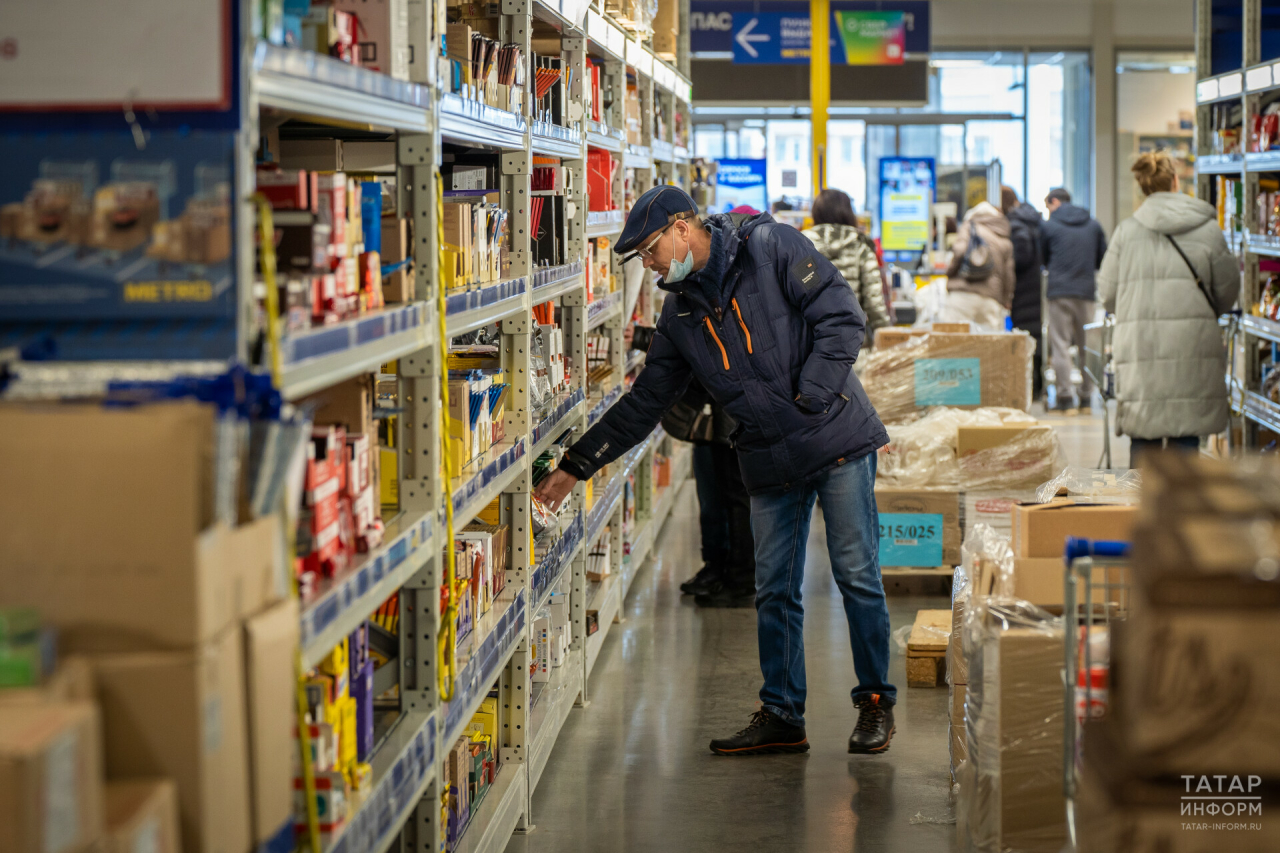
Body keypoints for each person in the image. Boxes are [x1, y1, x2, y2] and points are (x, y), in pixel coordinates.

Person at [533, 185, 896, 756]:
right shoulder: (680, 316)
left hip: (836, 440)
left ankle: (875, 702)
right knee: (773, 588)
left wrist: (812, 397)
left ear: (683, 227)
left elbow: (842, 317)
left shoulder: (770, 245)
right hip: (767, 456)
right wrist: (576, 466)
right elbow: (644, 403)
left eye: (651, 249)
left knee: (855, 573)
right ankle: (782, 712)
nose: (650, 264)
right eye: (642, 258)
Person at [1097, 151, 1239, 468]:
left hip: (1140, 345)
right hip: (1193, 344)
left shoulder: (1126, 232)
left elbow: (1107, 294)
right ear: (1176, 181)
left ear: (1143, 187)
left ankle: (1142, 509)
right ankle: (1181, 513)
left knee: (1144, 436)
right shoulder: (1208, 230)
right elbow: (1228, 291)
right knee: (1187, 433)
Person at [630, 325, 755, 607]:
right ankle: (715, 567)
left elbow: (694, 343)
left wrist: (642, 338)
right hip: (711, 416)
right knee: (712, 500)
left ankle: (741, 578)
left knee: (735, 499)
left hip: (732, 417)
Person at [1042, 187, 1108, 413]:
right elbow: (1102, 259)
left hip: (1059, 292)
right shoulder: (1093, 225)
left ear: (1054, 202)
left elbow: (1043, 259)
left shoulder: (1049, 226)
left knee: (1060, 345)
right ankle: (1087, 399)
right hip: (1086, 292)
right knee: (1086, 347)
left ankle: (1065, 398)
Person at [802, 188, 891, 339]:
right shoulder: (860, 245)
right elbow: (874, 302)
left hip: (810, 345)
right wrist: (887, 338)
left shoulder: (801, 246)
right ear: (848, 212)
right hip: (853, 345)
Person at [941, 200, 1015, 328]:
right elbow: (1009, 275)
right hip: (991, 298)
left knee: (952, 339)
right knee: (990, 343)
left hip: (963, 292)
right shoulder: (1003, 236)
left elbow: (959, 252)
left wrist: (950, 274)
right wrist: (1005, 300)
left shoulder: (969, 226)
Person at [1002, 186, 1046, 400]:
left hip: (1024, 289)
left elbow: (1023, 254)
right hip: (1035, 288)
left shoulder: (1016, 223)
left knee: (1026, 335)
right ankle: (1036, 385)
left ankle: (1033, 386)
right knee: (1034, 335)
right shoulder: (1032, 219)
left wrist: (1007, 263)